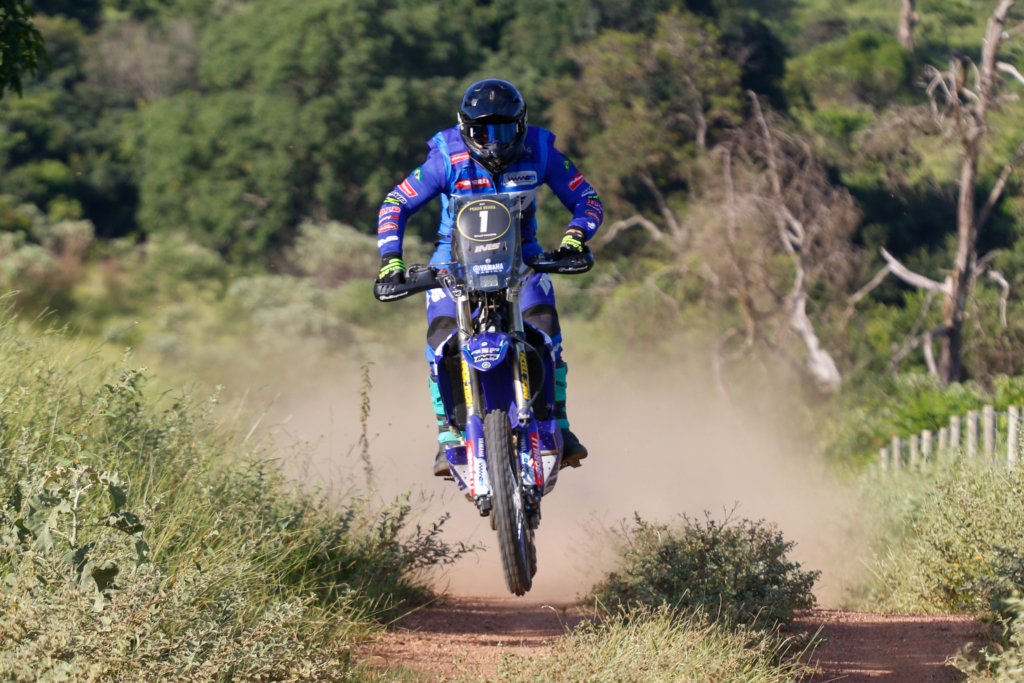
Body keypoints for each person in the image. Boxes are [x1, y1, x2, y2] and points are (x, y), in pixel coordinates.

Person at [374, 78, 603, 477]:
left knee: (546, 326)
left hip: (522, 254)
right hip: (453, 260)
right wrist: (391, 261)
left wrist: (574, 238)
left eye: (505, 130)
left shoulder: (541, 149)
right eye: (483, 132)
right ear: (465, 129)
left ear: (522, 125)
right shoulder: (445, 157)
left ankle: (560, 424)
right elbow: (396, 203)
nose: (495, 143)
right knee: (440, 336)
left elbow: (587, 198)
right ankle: (448, 434)